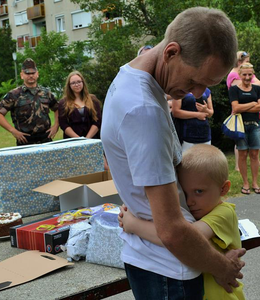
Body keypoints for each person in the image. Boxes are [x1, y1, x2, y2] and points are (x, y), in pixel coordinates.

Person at [101, 6, 245, 300]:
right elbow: (172, 231)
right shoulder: (144, 110)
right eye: (195, 81)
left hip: (156, 262)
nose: (195, 93)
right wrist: (222, 267)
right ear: (170, 53)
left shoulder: (131, 76)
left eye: (208, 85)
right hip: (169, 270)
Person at [118, 144, 245, 300]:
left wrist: (133, 224)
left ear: (224, 189)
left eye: (199, 192)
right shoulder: (197, 210)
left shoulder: (224, 213)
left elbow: (184, 238)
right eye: (184, 193)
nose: (190, 201)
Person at [0, 58, 59, 146]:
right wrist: (13, 131)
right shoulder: (14, 94)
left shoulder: (46, 93)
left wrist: (56, 126)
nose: (30, 75)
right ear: (21, 75)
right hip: (25, 141)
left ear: (37, 74)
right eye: (27, 73)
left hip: (45, 139)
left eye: (33, 73)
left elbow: (58, 108)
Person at [229, 63, 260, 195]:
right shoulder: (234, 89)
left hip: (255, 125)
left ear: (252, 75)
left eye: (250, 74)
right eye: (244, 74)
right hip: (240, 126)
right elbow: (235, 108)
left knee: (254, 155)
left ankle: (254, 182)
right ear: (240, 75)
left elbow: (259, 108)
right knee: (242, 155)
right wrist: (253, 103)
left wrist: (244, 106)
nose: (247, 77)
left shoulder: (257, 88)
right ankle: (245, 183)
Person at [58, 71, 102, 139]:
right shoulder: (63, 103)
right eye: (73, 83)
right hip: (72, 142)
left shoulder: (93, 100)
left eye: (79, 82)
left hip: (92, 140)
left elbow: (97, 121)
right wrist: (79, 140)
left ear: (83, 82)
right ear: (69, 85)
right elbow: (63, 124)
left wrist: (87, 139)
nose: (76, 84)